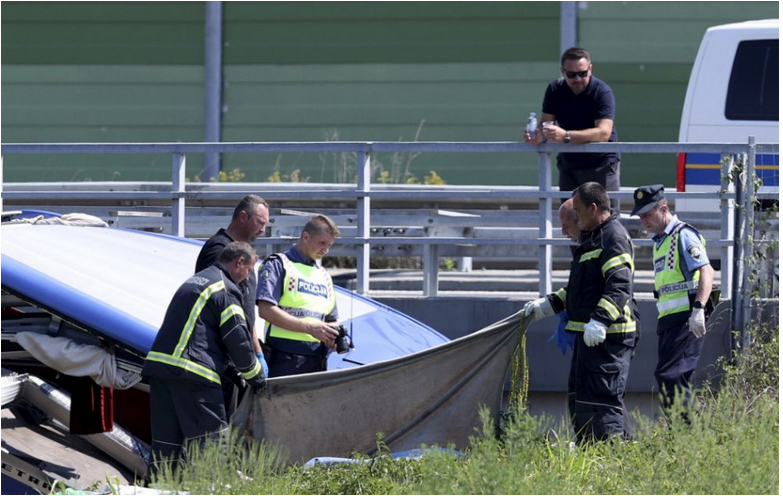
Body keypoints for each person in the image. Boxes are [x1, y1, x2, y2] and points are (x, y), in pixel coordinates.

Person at [524, 183, 637, 443]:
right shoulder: (594, 238)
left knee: (602, 403)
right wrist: (549, 305)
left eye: (577, 210)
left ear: (593, 208)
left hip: (608, 337)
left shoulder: (612, 237)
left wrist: (600, 321)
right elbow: (579, 289)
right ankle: (593, 452)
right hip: (591, 338)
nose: (575, 216)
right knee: (583, 400)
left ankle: (612, 459)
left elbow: (619, 285)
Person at [142, 241, 267, 476]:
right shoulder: (226, 289)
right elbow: (237, 339)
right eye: (250, 270)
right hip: (193, 375)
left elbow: (200, 332)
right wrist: (255, 376)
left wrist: (228, 369)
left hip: (162, 370)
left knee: (165, 449)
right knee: (211, 447)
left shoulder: (197, 280)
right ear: (240, 262)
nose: (248, 277)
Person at [631, 185, 715, 413]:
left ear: (664, 209)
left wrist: (699, 308)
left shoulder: (683, 234)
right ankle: (681, 436)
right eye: (640, 216)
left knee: (671, 376)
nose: (643, 221)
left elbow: (707, 271)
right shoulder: (660, 240)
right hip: (668, 322)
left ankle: (691, 434)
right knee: (670, 378)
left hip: (687, 318)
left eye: (647, 214)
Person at [525, 47, 621, 213]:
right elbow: (545, 124)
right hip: (569, 165)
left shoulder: (602, 91)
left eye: (582, 73)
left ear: (590, 69)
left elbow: (603, 133)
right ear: (563, 72)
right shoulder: (555, 89)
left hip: (601, 163)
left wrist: (566, 136)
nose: (577, 79)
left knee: (606, 218)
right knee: (571, 218)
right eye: (571, 74)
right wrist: (538, 136)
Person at [195, 195, 269, 411]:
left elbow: (246, 312)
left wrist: (257, 351)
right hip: (220, 360)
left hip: (236, 355)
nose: (263, 230)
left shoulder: (243, 254)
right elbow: (220, 309)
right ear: (244, 217)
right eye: (260, 222)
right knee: (219, 431)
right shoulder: (219, 250)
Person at [257, 215, 342, 377]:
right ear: (305, 236)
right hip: (283, 356)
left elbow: (331, 319)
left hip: (317, 359)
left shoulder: (324, 276)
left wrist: (334, 337)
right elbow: (265, 310)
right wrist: (309, 328)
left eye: (330, 245)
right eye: (322, 243)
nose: (326, 250)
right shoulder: (278, 264)